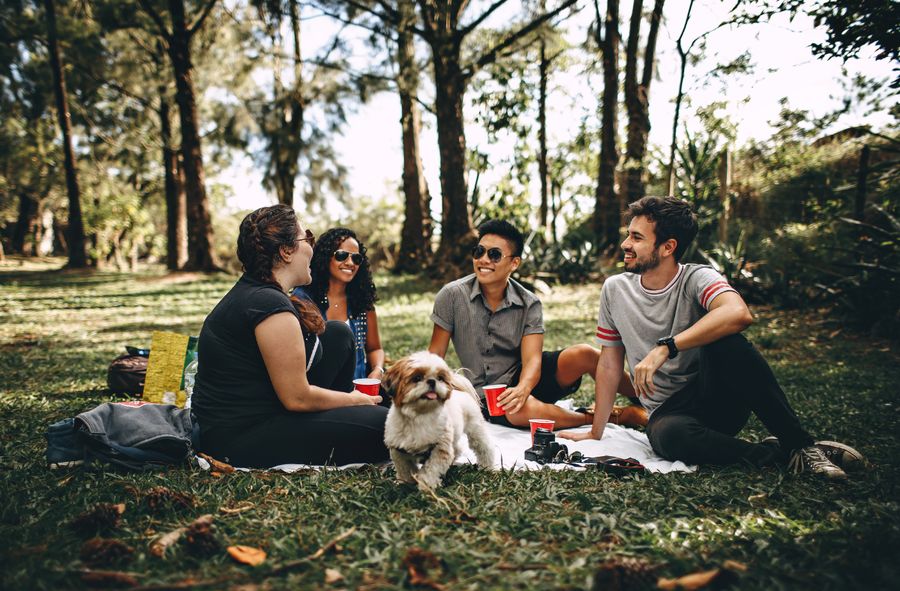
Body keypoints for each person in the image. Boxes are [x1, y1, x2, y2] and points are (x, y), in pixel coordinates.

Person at [560, 196, 862, 480]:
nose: (625, 244)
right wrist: (595, 431)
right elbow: (610, 364)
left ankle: (801, 444)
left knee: (728, 341)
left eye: (637, 238)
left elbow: (738, 313)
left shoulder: (697, 277)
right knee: (668, 438)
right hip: (669, 414)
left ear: (668, 247)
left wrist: (667, 347)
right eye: (629, 234)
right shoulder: (615, 289)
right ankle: (781, 454)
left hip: (717, 398)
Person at [192, 205, 388, 468]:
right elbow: (297, 398)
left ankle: (348, 416)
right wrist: (355, 400)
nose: (312, 247)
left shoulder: (261, 293)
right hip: (240, 436)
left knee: (338, 334)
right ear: (285, 251)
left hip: (268, 409)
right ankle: (352, 416)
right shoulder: (268, 305)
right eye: (307, 238)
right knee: (389, 427)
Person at [428, 219, 642, 430]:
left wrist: (522, 388)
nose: (483, 260)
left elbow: (532, 361)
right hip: (486, 394)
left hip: (526, 378)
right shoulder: (452, 296)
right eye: (479, 252)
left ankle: (647, 398)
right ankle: (615, 417)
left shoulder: (529, 302)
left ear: (514, 263)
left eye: (494, 254)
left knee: (585, 354)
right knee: (519, 409)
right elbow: (435, 355)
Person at [293, 228, 385, 382]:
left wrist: (378, 370)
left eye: (356, 258)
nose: (350, 263)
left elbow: (375, 348)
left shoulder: (362, 300)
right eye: (342, 255)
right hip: (320, 392)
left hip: (360, 391)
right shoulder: (303, 299)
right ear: (325, 257)